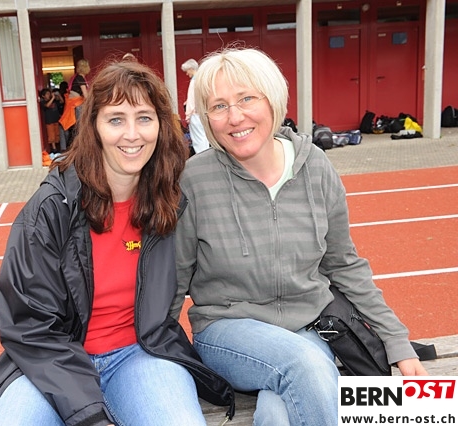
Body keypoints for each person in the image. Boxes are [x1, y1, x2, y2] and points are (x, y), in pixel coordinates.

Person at [170, 47, 427, 426]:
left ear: (272, 99)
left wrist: (396, 341)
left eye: (246, 98)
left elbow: (344, 265)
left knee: (278, 412)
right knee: (304, 365)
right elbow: (173, 278)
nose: (235, 117)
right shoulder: (194, 179)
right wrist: (159, 356)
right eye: (219, 106)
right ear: (206, 118)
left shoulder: (315, 167)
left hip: (308, 327)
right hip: (227, 332)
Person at [0, 60, 234, 426]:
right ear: (94, 127)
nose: (132, 134)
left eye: (144, 118)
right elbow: (28, 325)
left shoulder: (170, 201)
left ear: (161, 126)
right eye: (116, 119)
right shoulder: (53, 206)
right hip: (52, 363)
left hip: (140, 353)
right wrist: (89, 413)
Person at [181, 58, 210, 155]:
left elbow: (192, 99)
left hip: (195, 113)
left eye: (187, 71)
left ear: (191, 68)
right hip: (202, 112)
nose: (187, 73)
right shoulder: (202, 80)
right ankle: (206, 155)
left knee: (198, 138)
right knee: (204, 136)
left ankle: (201, 157)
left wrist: (188, 114)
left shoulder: (194, 81)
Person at [39, 88, 61, 154]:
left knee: (57, 134)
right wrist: (53, 98)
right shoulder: (43, 102)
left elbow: (62, 101)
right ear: (43, 96)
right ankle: (54, 149)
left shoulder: (54, 100)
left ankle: (57, 148)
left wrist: (58, 95)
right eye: (47, 94)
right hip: (49, 121)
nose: (49, 95)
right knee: (51, 135)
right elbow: (47, 105)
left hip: (56, 120)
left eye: (49, 94)